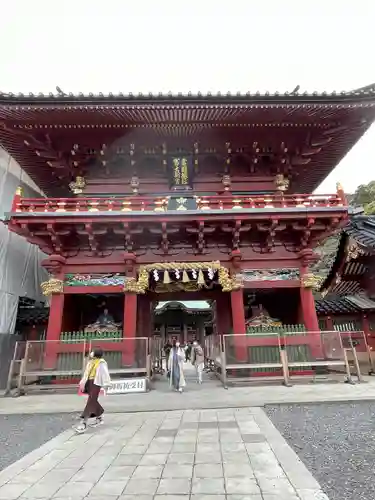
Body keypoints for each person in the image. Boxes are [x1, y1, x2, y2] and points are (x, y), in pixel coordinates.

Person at [74, 348, 111, 434]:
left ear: (95, 354)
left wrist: (106, 384)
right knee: (92, 400)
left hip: (96, 383)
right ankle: (99, 416)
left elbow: (105, 374)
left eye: (93, 352)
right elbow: (86, 373)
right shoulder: (91, 362)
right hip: (89, 382)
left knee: (91, 401)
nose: (91, 353)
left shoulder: (101, 363)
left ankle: (84, 423)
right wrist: (82, 382)